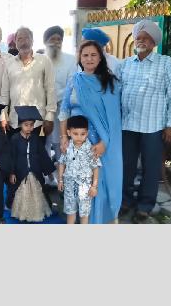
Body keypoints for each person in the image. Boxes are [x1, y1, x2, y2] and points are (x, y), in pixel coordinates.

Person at [117, 20, 171, 223]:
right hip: (128, 125)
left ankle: (145, 205)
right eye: (138, 37)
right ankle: (125, 201)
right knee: (126, 166)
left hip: (153, 127)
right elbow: (116, 93)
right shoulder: (125, 64)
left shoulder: (165, 62)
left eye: (146, 38)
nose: (141, 41)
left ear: (154, 42)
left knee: (151, 168)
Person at [59, 40, 122, 224]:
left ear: (100, 57)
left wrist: (104, 142)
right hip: (77, 139)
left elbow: (113, 118)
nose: (89, 59)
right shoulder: (74, 80)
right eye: (85, 55)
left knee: (97, 178)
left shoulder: (110, 82)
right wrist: (64, 136)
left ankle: (98, 219)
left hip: (99, 141)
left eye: (93, 55)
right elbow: (64, 110)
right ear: (80, 58)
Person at [0, 26, 57, 138]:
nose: (23, 42)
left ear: (32, 40)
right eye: (20, 39)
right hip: (15, 121)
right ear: (16, 43)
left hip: (37, 122)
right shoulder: (9, 63)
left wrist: (50, 117)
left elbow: (50, 89)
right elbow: (4, 92)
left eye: (27, 38)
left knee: (37, 149)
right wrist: (3, 115)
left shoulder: (44, 61)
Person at [9, 106, 54, 222]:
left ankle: (36, 212)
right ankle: (23, 213)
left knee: (37, 192)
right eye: (26, 125)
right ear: (20, 125)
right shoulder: (14, 139)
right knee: (21, 193)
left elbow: (43, 155)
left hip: (34, 171)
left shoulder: (35, 139)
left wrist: (49, 172)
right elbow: (12, 157)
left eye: (31, 125)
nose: (29, 128)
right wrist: (12, 173)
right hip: (21, 171)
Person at [43, 25, 77, 178]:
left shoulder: (70, 60)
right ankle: (46, 178)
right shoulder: (40, 60)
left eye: (59, 39)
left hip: (62, 110)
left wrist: (55, 102)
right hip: (43, 110)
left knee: (59, 144)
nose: (56, 42)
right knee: (43, 144)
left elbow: (71, 86)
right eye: (52, 39)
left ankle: (62, 180)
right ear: (45, 42)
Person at [57, 115, 101, 224]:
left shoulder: (90, 149)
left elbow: (95, 168)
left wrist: (94, 186)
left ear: (87, 133)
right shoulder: (67, 147)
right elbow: (62, 163)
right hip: (69, 186)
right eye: (75, 134)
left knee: (84, 214)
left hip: (85, 188)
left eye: (83, 134)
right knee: (70, 212)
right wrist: (60, 180)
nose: (79, 137)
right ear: (69, 133)